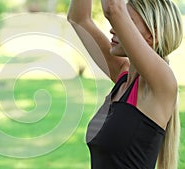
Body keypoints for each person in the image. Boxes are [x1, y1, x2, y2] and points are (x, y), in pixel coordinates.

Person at [68, 0, 182, 169]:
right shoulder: (124, 77)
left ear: (152, 35)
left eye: (126, 21)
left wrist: (116, 12)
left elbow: (113, 7)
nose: (113, 28)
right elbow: (79, 18)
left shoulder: (161, 83)